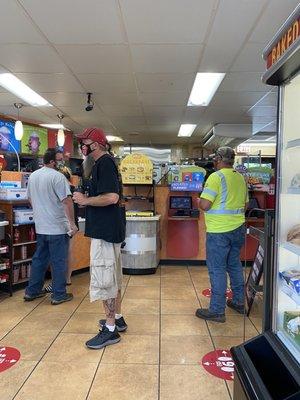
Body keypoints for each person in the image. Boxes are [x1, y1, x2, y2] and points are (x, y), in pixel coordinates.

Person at [73, 127, 126, 350]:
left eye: (83, 142)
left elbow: (111, 197)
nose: (81, 147)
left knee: (105, 280)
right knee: (113, 276)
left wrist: (85, 200)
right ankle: (119, 318)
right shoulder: (104, 163)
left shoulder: (103, 163)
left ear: (95, 144)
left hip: (105, 232)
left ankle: (111, 330)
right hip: (110, 230)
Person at [196, 146, 248, 323]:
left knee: (217, 269)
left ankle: (217, 310)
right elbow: (245, 205)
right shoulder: (241, 177)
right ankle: (239, 302)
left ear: (218, 159)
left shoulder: (215, 177)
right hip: (238, 228)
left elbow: (205, 205)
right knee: (234, 265)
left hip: (219, 231)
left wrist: (198, 200)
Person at [24, 148, 78, 305]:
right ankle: (59, 294)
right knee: (59, 260)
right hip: (57, 227)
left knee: (39, 259)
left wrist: (40, 213)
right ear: (53, 161)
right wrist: (72, 223)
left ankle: (31, 291)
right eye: (60, 160)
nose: (62, 162)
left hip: (41, 226)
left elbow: (29, 198)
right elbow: (67, 201)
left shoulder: (33, 176)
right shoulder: (58, 177)